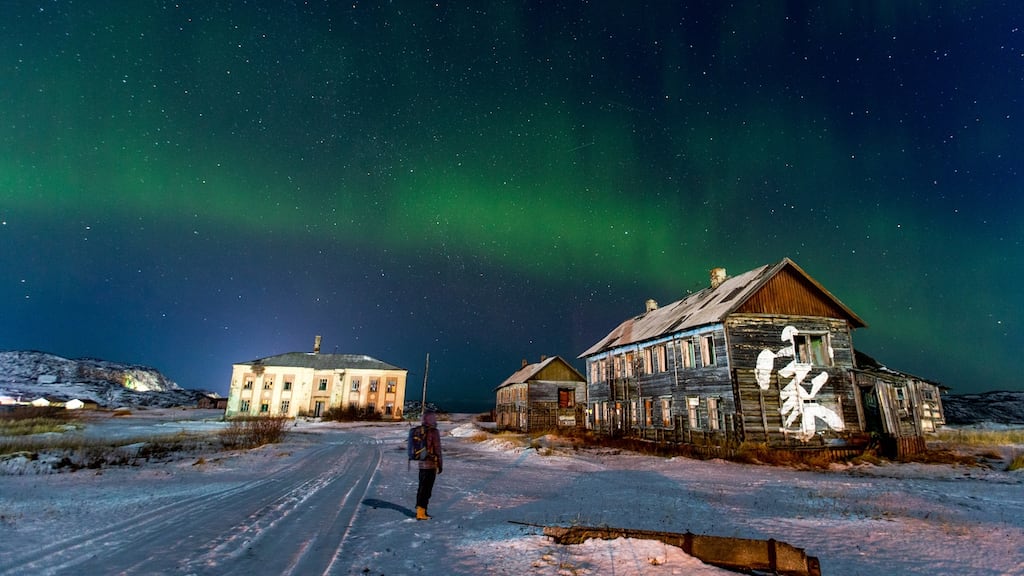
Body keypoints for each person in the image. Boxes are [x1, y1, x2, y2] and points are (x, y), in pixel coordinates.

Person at [415, 410, 443, 520]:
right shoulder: (434, 431)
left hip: (421, 464)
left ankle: (420, 511)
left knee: (421, 487)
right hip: (430, 464)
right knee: (427, 489)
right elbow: (437, 449)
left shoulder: (420, 430)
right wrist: (440, 464)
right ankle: (422, 512)